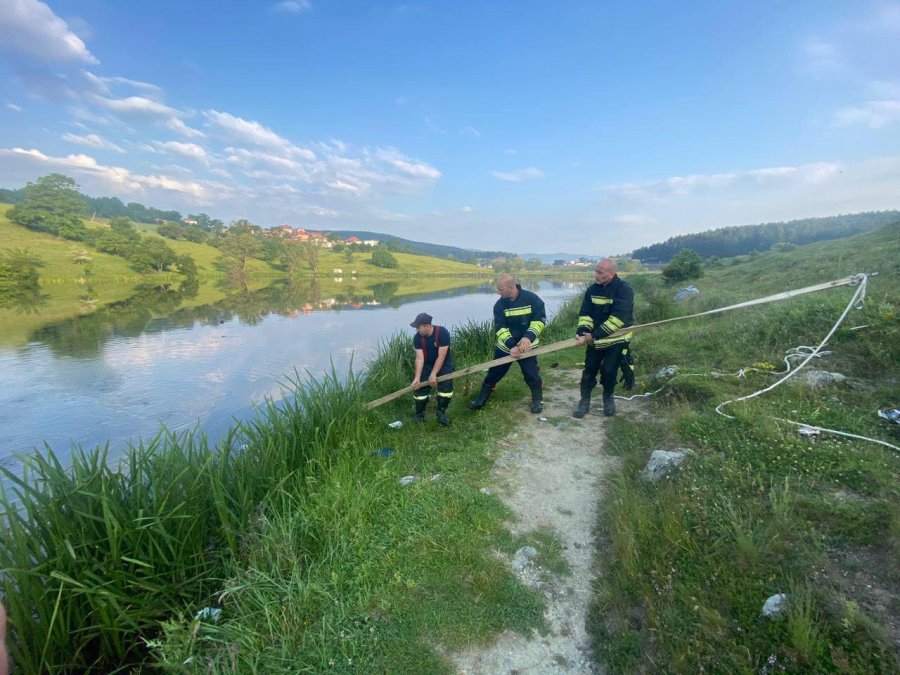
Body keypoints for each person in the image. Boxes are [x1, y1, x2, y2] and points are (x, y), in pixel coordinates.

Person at [469, 274, 546, 413]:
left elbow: (539, 321)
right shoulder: (499, 305)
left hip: (527, 347)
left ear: (511, 287)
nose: (499, 292)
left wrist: (528, 338)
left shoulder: (532, 299)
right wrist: (512, 346)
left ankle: (537, 401)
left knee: (531, 374)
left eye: (501, 289)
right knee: (493, 373)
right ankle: (480, 400)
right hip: (505, 347)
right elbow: (500, 328)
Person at [573, 258, 634, 417]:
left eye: (600, 272)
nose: (596, 275)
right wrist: (582, 332)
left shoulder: (624, 290)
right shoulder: (592, 290)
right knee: (589, 372)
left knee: (608, 371)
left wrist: (593, 335)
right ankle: (584, 401)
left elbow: (617, 320)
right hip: (595, 341)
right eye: (596, 271)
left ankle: (608, 398)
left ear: (612, 273)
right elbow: (585, 314)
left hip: (616, 340)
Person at [410, 312, 454, 426]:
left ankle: (441, 414)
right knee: (419, 390)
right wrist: (417, 378)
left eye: (418, 328)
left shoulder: (442, 333)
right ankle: (419, 415)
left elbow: (442, 355)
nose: (417, 330)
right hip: (427, 364)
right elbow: (419, 358)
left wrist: (433, 374)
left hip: (444, 363)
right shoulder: (417, 338)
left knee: (446, 389)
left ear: (427, 326)